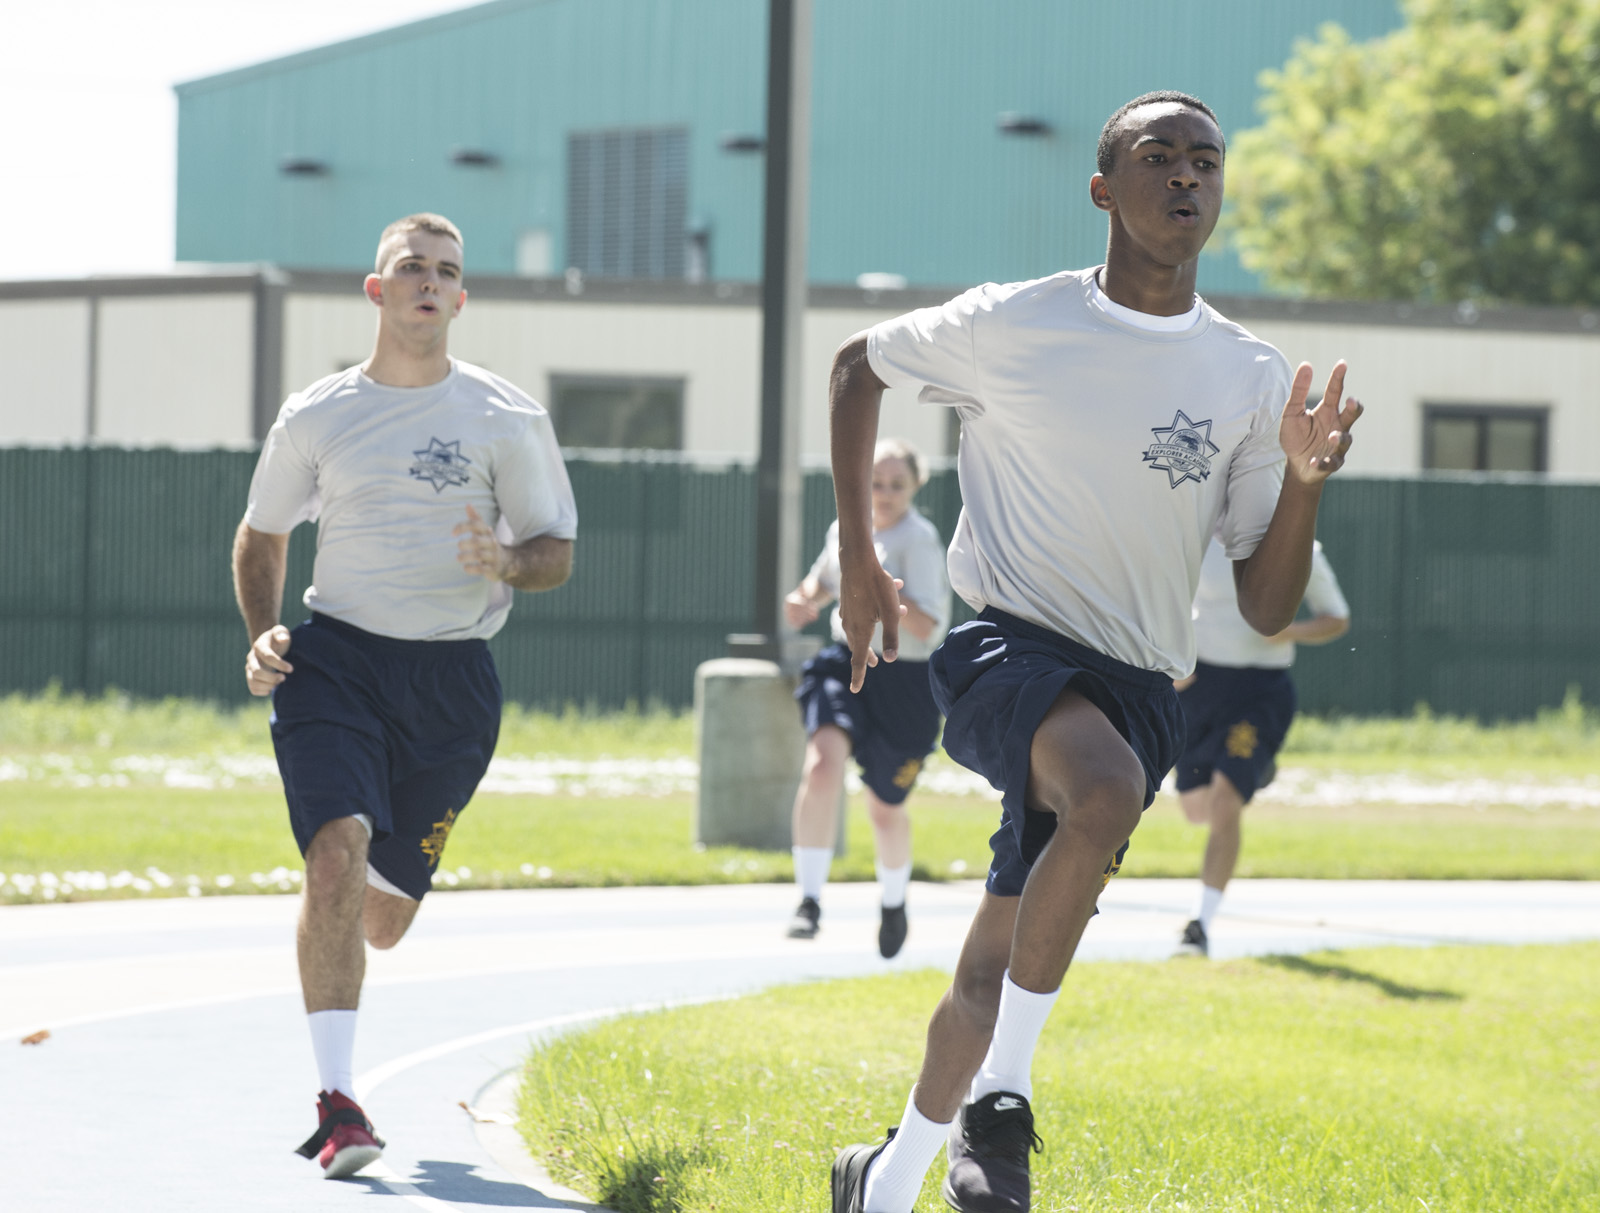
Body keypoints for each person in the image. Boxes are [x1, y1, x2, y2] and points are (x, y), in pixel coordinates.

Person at [824, 91, 1363, 1213]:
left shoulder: (1249, 377)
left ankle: (882, 1182)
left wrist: (1304, 484)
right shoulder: (1012, 322)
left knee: (988, 966)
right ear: (1102, 189)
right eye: (1157, 156)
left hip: (1135, 685)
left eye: (1204, 161)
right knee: (1108, 793)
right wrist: (862, 559)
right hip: (996, 644)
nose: (1184, 176)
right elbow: (852, 366)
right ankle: (1005, 1099)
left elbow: (1266, 606)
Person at [231, 213, 578, 1180]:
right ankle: (339, 1102)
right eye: (411, 268)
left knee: (381, 918)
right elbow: (260, 535)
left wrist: (506, 558)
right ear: (377, 291)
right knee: (335, 861)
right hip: (335, 662)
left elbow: (555, 552)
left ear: (462, 299)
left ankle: (361, 921)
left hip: (454, 684)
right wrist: (261, 628)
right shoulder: (320, 413)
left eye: (447, 272)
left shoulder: (507, 418)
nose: (430, 282)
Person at [783, 438, 950, 958]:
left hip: (905, 679)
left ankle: (894, 901)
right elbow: (822, 580)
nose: (883, 493)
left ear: (915, 487)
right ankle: (808, 901)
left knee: (884, 809)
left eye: (896, 484)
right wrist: (804, 598)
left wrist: (885, 593)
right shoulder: (847, 526)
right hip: (846, 660)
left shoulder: (920, 540)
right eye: (875, 482)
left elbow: (929, 626)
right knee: (822, 767)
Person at [1173, 536, 1350, 956]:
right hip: (1200, 685)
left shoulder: (1301, 548)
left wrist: (1291, 631)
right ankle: (1255, 767)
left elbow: (1336, 618)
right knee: (1196, 809)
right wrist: (1172, 663)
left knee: (1224, 801)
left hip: (1259, 690)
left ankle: (1200, 924)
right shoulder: (1196, 535)